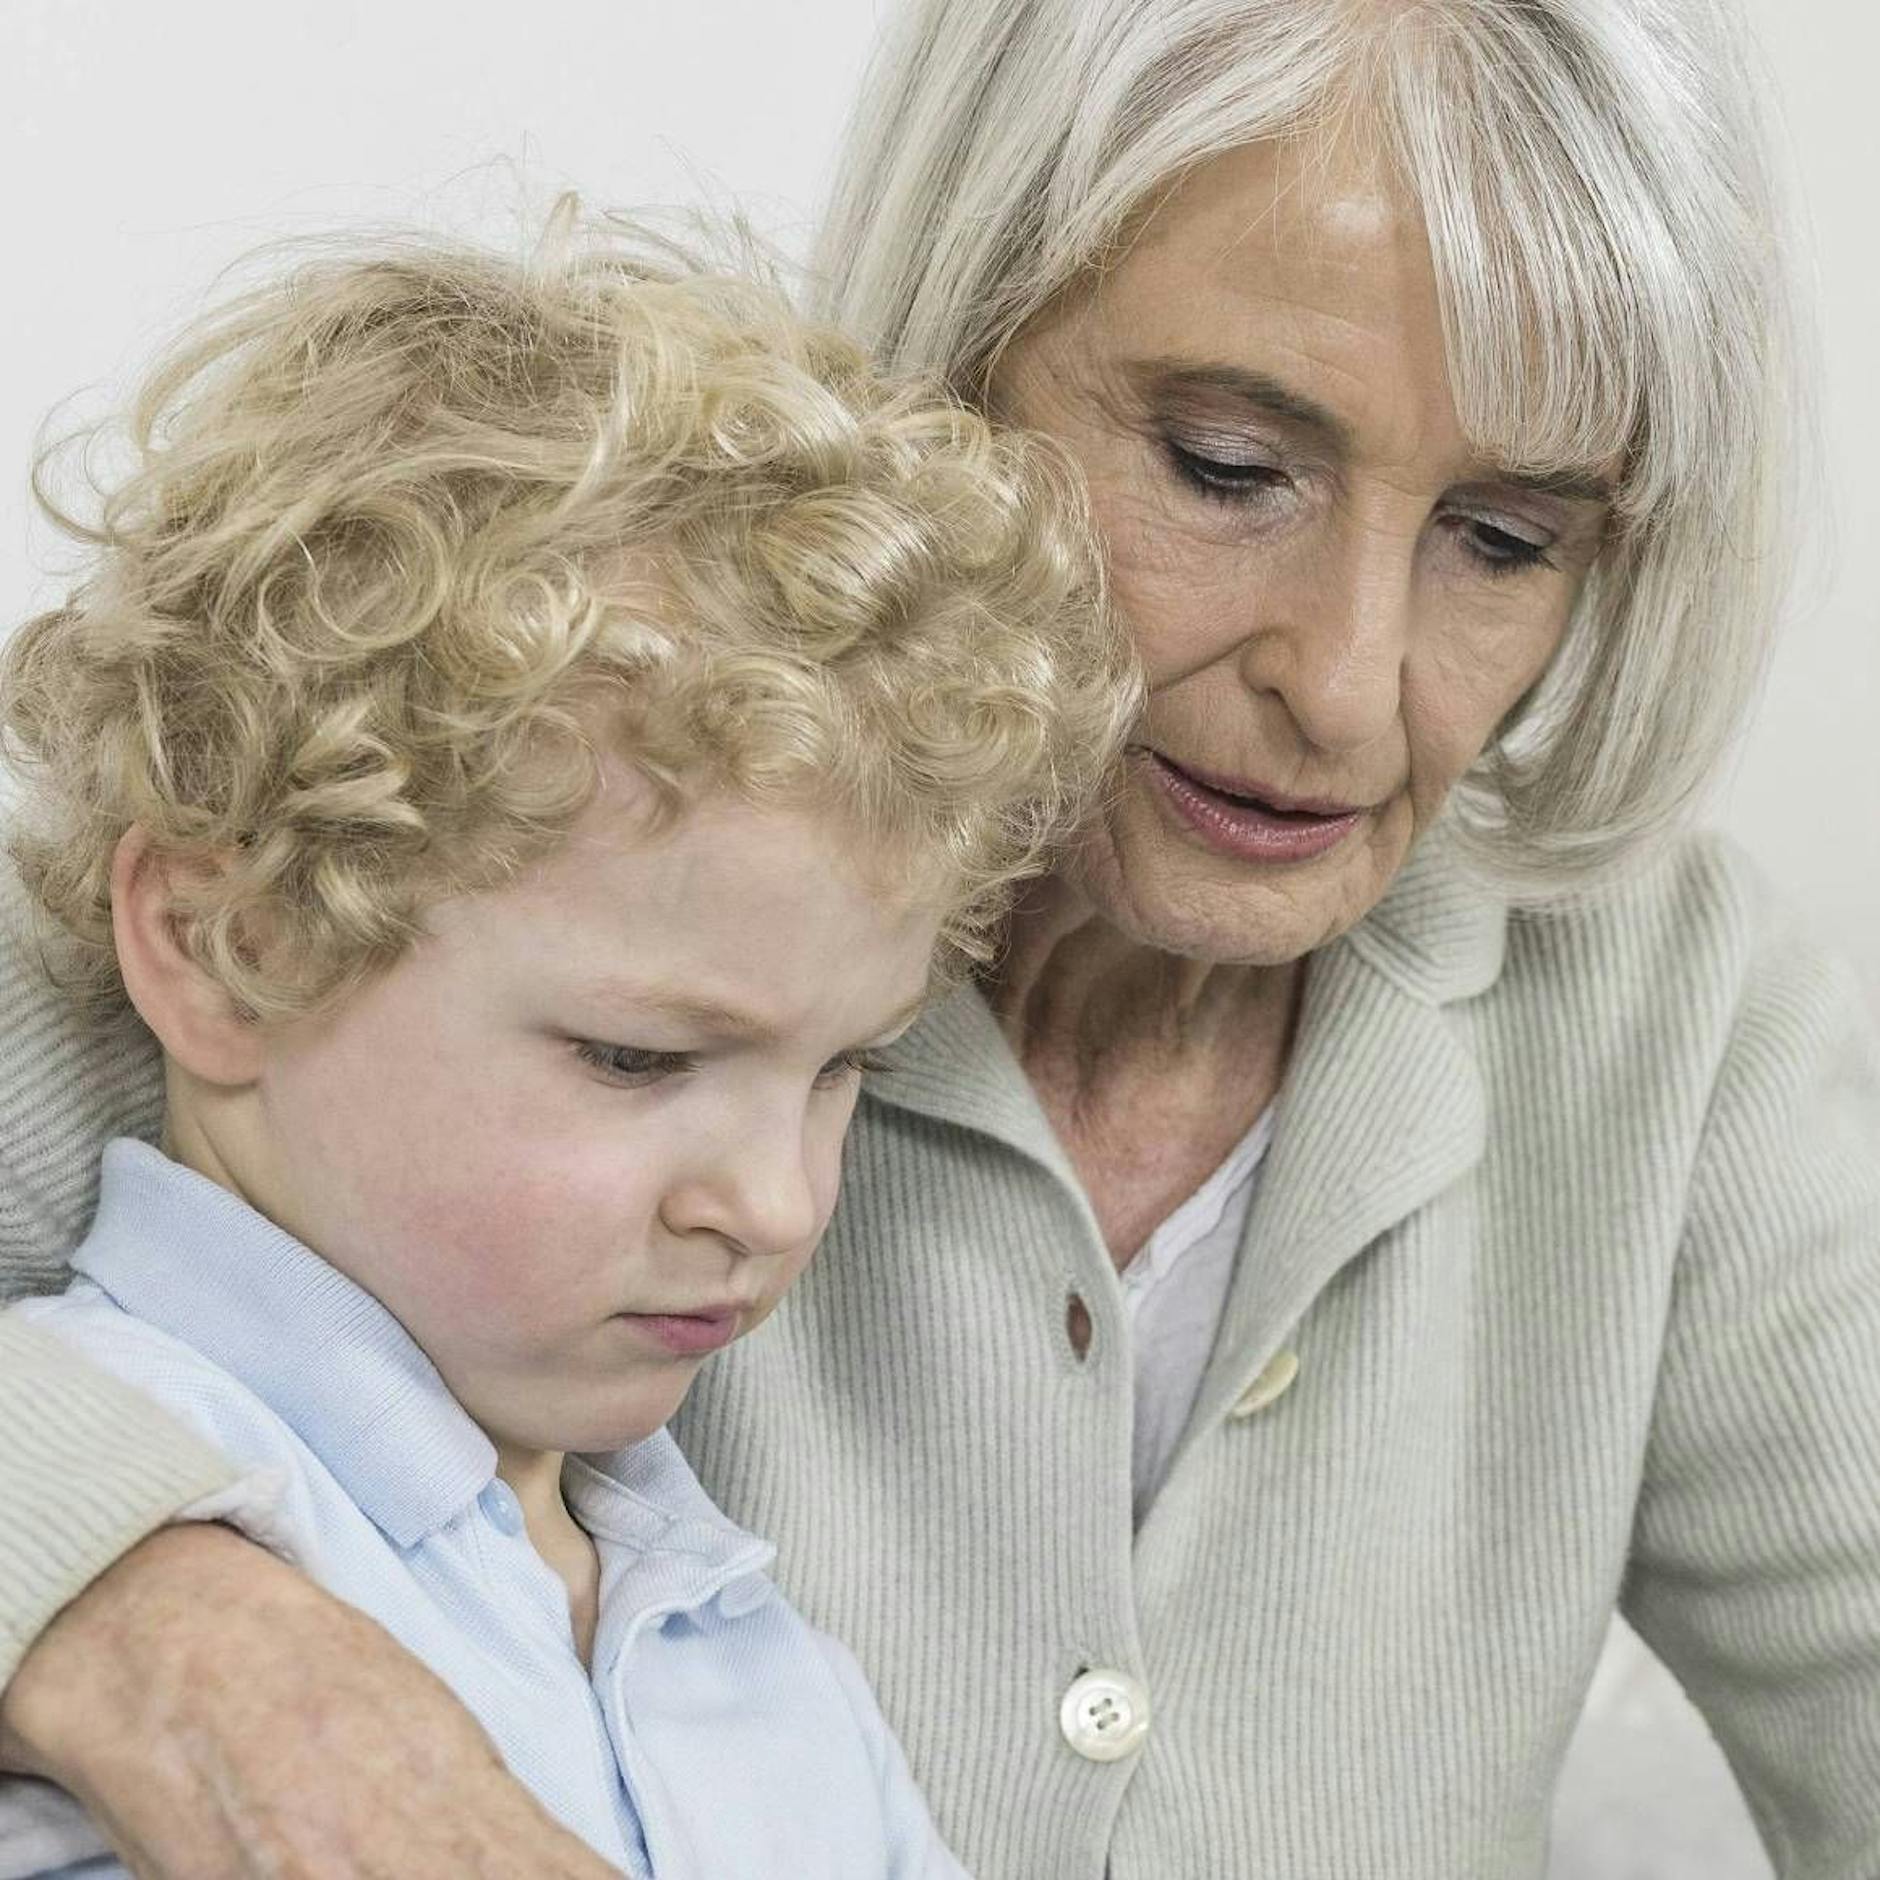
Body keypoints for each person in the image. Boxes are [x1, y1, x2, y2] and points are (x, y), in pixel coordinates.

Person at [1, 0, 1876, 1875]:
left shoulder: (1671, 1024)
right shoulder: (406, 794)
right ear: (960, 334)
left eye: (1503, 537)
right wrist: (173, 1629)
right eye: (1229, 467)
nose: (1352, 687)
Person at [0, 216, 1133, 1877]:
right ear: (227, 948)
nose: (775, 1203)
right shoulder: (93, 1603)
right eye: (635, 1061)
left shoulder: (751, 1645)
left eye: (843, 1074)